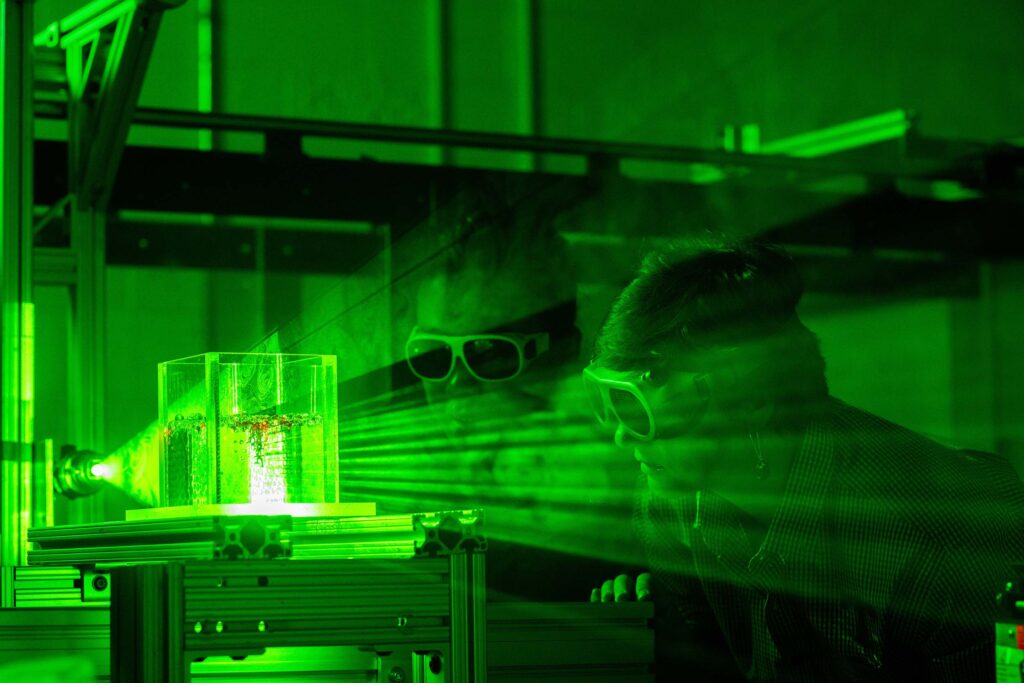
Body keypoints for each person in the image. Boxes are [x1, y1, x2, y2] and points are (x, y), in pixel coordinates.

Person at [583, 238, 1024, 681]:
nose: (622, 436)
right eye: (610, 406)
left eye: (636, 410)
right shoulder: (672, 498)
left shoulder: (939, 534)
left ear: (749, 402)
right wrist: (659, 630)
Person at [402, 185, 639, 601]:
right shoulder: (410, 492)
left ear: (563, 353)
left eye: (490, 353)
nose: (457, 384)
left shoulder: (624, 497)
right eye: (433, 355)